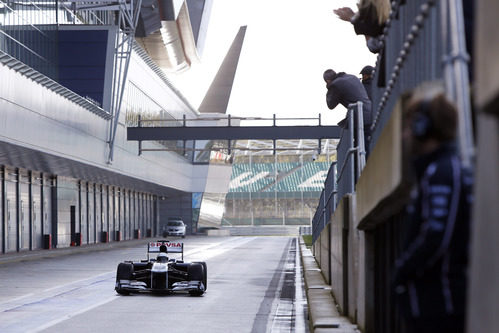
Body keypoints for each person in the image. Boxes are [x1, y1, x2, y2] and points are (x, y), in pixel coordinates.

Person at [392, 83, 473, 333]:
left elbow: (436, 236)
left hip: (438, 308)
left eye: (409, 127)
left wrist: (401, 271)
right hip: (434, 305)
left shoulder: (441, 173)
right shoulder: (439, 171)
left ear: (422, 128)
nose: (406, 136)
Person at [323, 69, 372, 152]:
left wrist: (328, 88)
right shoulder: (352, 77)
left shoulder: (335, 85)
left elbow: (330, 105)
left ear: (327, 80)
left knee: (362, 148)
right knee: (366, 145)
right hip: (370, 113)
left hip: (360, 118)